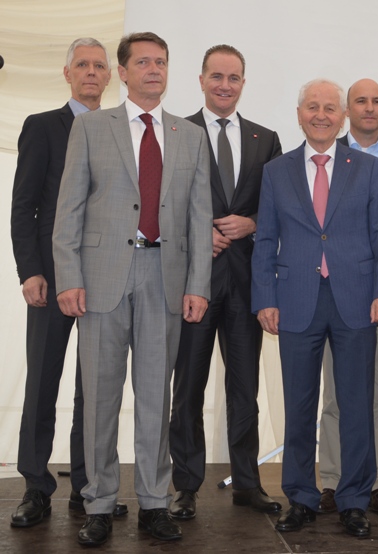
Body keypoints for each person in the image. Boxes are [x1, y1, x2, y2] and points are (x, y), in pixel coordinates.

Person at [52, 32, 212, 546]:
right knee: (100, 397)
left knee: (155, 398)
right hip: (101, 278)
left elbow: (200, 216)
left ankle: (154, 502)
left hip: (165, 277)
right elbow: (69, 209)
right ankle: (99, 503)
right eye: (143, 62)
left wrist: (199, 285)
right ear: (123, 73)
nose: (153, 69)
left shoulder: (190, 135)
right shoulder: (92, 128)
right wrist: (68, 277)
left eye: (160, 61)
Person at [251, 79, 378, 538]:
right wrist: (265, 298)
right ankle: (300, 497)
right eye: (312, 107)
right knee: (299, 406)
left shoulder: (367, 168)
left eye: (330, 108)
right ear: (299, 115)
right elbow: (265, 240)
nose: (321, 115)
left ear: (343, 117)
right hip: (296, 301)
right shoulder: (276, 171)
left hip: (357, 300)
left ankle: (354, 500)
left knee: (356, 404)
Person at [9, 37, 127, 528]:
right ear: (67, 73)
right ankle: (36, 487)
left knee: (93, 389)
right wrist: (30, 271)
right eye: (83, 65)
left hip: (106, 278)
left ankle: (88, 486)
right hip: (52, 277)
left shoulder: (121, 129)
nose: (92, 72)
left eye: (100, 65)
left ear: (110, 75)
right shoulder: (42, 126)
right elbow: (24, 205)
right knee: (43, 381)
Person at [168, 44, 282, 521]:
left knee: (244, 390)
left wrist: (252, 224)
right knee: (187, 389)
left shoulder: (265, 139)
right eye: (216, 76)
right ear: (201, 80)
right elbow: (161, 205)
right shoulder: (175, 132)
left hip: (246, 284)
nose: (224, 85)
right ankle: (185, 486)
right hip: (193, 284)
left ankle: (247, 484)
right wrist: (199, 235)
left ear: (243, 83)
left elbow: (280, 209)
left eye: (233, 77)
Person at [317, 78, 378, 517]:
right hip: (337, 293)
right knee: (336, 394)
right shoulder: (327, 156)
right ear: (347, 111)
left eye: (377, 101)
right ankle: (332, 481)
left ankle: (376, 483)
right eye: (360, 101)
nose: (370, 108)